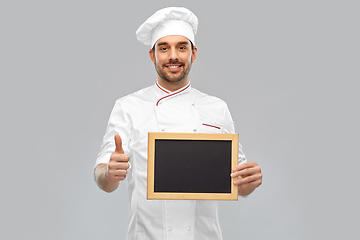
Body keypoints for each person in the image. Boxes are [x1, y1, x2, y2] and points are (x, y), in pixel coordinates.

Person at [94, 7, 262, 240]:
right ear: (153, 56)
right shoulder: (128, 107)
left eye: (181, 47)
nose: (173, 56)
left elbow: (238, 183)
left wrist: (250, 181)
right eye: (164, 48)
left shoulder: (217, 108)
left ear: (193, 53)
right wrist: (110, 173)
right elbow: (103, 179)